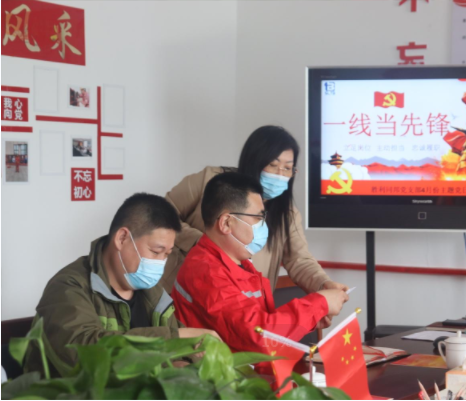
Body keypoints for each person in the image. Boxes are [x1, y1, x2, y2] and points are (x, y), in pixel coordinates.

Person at [161, 126, 348, 323]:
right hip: (187, 299)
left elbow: (299, 260)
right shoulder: (212, 182)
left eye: (287, 168)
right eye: (273, 165)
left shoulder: (288, 213)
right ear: (254, 161)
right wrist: (201, 243)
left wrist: (323, 284)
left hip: (244, 311)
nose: (279, 174)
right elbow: (163, 214)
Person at [25, 193, 219, 377]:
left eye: (166, 254)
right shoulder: (68, 287)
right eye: (155, 251)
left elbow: (180, 351)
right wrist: (175, 337)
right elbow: (83, 352)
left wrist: (185, 361)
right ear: (122, 238)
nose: (160, 262)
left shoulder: (153, 294)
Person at [172, 172, 348, 353]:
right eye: (258, 218)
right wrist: (319, 304)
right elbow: (259, 336)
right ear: (226, 223)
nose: (264, 225)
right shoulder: (206, 272)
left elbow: (262, 325)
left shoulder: (239, 264)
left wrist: (310, 319)